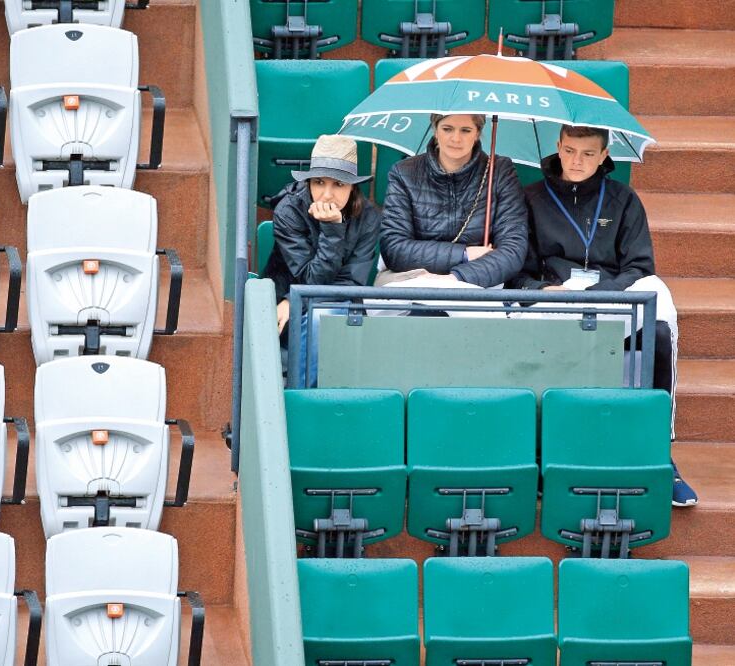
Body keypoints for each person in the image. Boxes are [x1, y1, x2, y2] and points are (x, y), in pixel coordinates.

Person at [509, 123, 697, 507]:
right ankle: (541, 455)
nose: (578, 161)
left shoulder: (624, 199)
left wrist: (598, 294)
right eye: (570, 151)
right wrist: (541, 291)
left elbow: (640, 266)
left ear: (605, 155)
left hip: (613, 293)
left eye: (589, 153)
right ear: (558, 147)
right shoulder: (529, 198)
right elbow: (517, 270)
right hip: (553, 297)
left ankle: (659, 451)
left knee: (659, 325)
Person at [263, 135, 380, 384]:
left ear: (353, 187)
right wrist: (333, 230)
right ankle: (297, 399)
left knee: (326, 317)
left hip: (338, 303)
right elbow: (311, 278)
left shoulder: (368, 217)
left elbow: (352, 283)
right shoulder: (289, 211)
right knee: (320, 318)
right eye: (318, 182)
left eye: (338, 184)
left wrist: (295, 302)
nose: (326, 195)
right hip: (283, 309)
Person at [379, 114, 528, 289]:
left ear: (478, 133)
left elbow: (513, 249)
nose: (456, 138)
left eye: (466, 130)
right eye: (447, 129)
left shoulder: (499, 172)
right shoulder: (404, 172)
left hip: (476, 282)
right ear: (435, 130)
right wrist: (463, 254)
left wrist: (457, 278)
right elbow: (394, 248)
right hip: (413, 279)